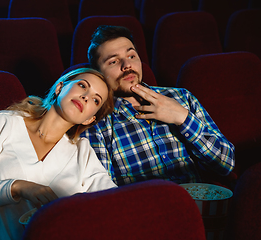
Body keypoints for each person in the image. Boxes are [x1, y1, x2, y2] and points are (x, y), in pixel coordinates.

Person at [0, 68, 117, 240]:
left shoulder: (83, 152)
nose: (86, 97)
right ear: (60, 87)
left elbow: (115, 204)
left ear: (89, 119)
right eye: (82, 85)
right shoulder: (6, 121)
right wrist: (18, 187)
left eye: (96, 100)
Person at [80, 25, 235, 186]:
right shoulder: (96, 121)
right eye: (114, 61)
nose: (127, 65)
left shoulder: (181, 97)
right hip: (148, 208)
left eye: (132, 56)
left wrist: (183, 118)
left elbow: (226, 165)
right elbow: (104, 192)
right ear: (98, 74)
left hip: (198, 203)